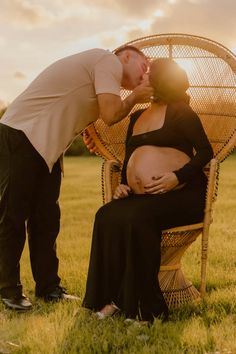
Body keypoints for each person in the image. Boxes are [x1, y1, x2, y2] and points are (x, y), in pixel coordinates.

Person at [0, 45, 153, 311]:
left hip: (47, 148)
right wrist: (135, 98)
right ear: (126, 56)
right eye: (143, 66)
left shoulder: (102, 72)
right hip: (21, 134)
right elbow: (111, 113)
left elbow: (84, 109)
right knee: (12, 217)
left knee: (47, 220)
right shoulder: (109, 60)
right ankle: (8, 289)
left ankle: (48, 288)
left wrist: (87, 130)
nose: (145, 75)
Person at [82, 58, 214, 323]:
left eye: (148, 74)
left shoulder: (181, 112)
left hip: (183, 195)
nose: (141, 78)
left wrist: (177, 178)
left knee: (139, 218)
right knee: (106, 215)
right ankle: (112, 299)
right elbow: (131, 157)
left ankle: (148, 309)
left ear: (161, 80)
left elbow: (205, 153)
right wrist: (124, 185)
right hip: (143, 196)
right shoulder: (136, 117)